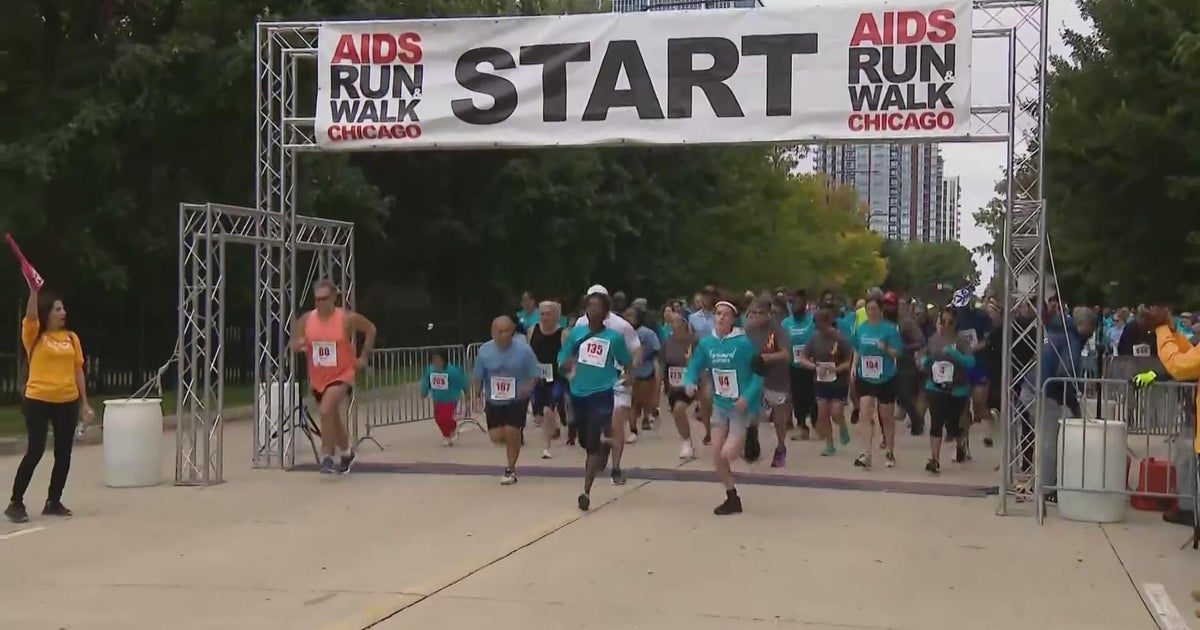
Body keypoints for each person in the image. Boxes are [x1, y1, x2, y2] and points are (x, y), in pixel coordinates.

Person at [5, 288, 94, 523]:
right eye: (57, 309)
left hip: (67, 400)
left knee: (64, 453)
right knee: (35, 449)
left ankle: (53, 501)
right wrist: (34, 291)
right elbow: (31, 315)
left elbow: (78, 371)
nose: (63, 313)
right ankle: (16, 502)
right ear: (47, 313)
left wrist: (85, 403)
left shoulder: (72, 338)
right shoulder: (34, 335)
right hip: (39, 399)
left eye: (63, 308)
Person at [684, 299, 764, 515]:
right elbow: (695, 364)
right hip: (721, 404)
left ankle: (749, 435)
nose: (720, 317)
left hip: (740, 407)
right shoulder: (707, 343)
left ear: (733, 319)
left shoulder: (744, 344)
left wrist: (747, 397)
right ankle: (732, 497)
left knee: (728, 452)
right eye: (717, 313)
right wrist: (690, 380)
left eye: (725, 314)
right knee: (717, 456)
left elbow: (759, 376)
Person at [290, 280, 376, 475]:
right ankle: (346, 453)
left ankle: (327, 456)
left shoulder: (346, 319)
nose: (320, 303)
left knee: (327, 408)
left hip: (342, 373)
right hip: (319, 376)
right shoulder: (307, 319)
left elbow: (371, 329)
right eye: (317, 300)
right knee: (333, 417)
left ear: (334, 298)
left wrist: (363, 357)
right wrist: (300, 344)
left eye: (324, 299)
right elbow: (294, 345)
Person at [559, 292, 633, 511]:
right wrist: (567, 367)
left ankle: (586, 491)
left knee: (591, 444)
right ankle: (601, 445)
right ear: (585, 309)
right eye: (590, 306)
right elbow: (563, 358)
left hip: (602, 393)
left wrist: (629, 376)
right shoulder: (576, 334)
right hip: (578, 392)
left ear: (605, 311)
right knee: (584, 440)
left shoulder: (614, 338)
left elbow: (627, 362)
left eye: (598, 306)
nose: (593, 310)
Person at [573, 285, 642, 485]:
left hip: (617, 381)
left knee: (616, 423)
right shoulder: (581, 324)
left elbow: (637, 349)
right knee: (591, 427)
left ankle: (616, 468)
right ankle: (600, 446)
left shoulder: (620, 325)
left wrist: (631, 371)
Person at [473, 315, 541, 485]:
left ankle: (510, 469)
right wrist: (475, 395)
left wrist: (530, 386)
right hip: (494, 399)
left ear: (513, 332)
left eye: (507, 331)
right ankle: (514, 440)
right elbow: (478, 376)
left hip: (517, 397)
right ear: (493, 332)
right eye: (500, 332)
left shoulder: (524, 350)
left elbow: (535, 372)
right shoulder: (484, 351)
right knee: (496, 436)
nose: (504, 335)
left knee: (512, 430)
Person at [921, 306, 975, 473]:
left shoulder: (961, 342)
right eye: (942, 321)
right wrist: (924, 361)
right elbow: (925, 357)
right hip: (935, 386)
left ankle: (961, 445)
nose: (945, 325)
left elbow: (971, 362)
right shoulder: (934, 340)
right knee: (936, 422)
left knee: (953, 426)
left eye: (949, 322)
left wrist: (954, 353)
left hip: (957, 389)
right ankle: (935, 459)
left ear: (955, 323)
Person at [851, 295, 903, 469]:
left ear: (880, 310)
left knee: (886, 415)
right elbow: (857, 349)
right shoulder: (862, 328)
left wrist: (886, 348)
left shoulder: (890, 329)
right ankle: (866, 453)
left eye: (874, 309)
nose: (871, 312)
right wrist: (853, 367)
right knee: (865, 410)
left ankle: (889, 450)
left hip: (886, 376)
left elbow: (897, 353)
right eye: (868, 309)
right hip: (865, 375)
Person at [798, 307, 854, 456]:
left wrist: (835, 369)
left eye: (823, 325)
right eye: (817, 326)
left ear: (830, 322)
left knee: (836, 411)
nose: (820, 329)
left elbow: (848, 362)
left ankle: (842, 425)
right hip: (821, 381)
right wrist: (814, 367)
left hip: (839, 380)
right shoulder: (814, 339)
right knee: (823, 414)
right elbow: (802, 357)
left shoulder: (841, 339)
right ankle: (829, 445)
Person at [744, 295, 793, 467]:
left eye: (760, 313)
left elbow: (786, 354)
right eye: (754, 312)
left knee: (779, 412)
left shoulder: (778, 330)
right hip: (754, 376)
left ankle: (780, 447)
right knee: (750, 410)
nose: (757, 316)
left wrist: (766, 358)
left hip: (776, 377)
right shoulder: (748, 329)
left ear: (768, 313)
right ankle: (751, 440)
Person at [529, 301, 568, 459]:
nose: (544, 317)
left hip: (557, 377)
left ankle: (546, 447)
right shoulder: (533, 330)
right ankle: (554, 428)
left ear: (556, 316)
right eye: (542, 314)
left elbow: (568, 355)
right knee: (539, 416)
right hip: (538, 376)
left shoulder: (563, 334)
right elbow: (528, 352)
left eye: (548, 314)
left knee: (548, 409)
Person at [661, 308, 699, 458]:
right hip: (673, 385)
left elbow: (701, 361)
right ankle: (687, 440)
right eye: (672, 322)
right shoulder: (667, 342)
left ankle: (686, 443)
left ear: (684, 324)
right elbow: (663, 363)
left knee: (678, 409)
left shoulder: (693, 341)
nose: (673, 324)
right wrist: (662, 383)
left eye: (676, 321)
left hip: (690, 382)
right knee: (677, 413)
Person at [783, 290, 817, 441]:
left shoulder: (813, 321)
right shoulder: (786, 323)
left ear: (805, 305)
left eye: (800, 303)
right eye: (794, 303)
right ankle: (802, 425)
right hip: (794, 364)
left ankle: (816, 422)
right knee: (797, 396)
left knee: (814, 395)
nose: (797, 306)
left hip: (812, 364)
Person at [420, 349, 468, 446]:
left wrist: (467, 393)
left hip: (451, 398)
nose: (436, 363)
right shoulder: (430, 370)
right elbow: (425, 382)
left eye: (438, 360)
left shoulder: (453, 371)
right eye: (434, 360)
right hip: (437, 398)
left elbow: (463, 380)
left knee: (446, 417)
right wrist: (423, 392)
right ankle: (449, 431)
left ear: (444, 360)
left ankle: (447, 434)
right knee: (438, 419)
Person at [625, 306, 661, 435]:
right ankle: (633, 428)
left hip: (646, 371)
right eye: (627, 315)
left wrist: (646, 358)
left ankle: (646, 416)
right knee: (632, 401)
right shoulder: (622, 333)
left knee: (645, 399)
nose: (628, 318)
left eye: (631, 315)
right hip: (629, 371)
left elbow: (657, 348)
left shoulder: (648, 333)